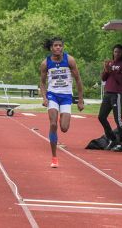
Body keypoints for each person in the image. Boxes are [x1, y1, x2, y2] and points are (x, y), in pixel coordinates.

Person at [40, 37, 84, 168]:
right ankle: (54, 157)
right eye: (55, 45)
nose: (58, 47)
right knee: (53, 124)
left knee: (64, 128)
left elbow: (78, 80)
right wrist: (44, 98)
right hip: (52, 95)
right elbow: (42, 83)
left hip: (66, 96)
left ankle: (62, 117)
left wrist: (80, 100)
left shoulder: (69, 60)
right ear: (51, 48)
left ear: (63, 47)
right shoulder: (45, 63)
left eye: (60, 45)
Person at [98, 44, 122, 152]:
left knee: (118, 119)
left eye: (119, 52)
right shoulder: (110, 63)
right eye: (115, 52)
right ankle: (112, 138)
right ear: (113, 52)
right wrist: (106, 70)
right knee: (101, 116)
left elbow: (121, 80)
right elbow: (103, 78)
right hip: (108, 93)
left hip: (117, 94)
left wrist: (112, 70)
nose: (116, 54)